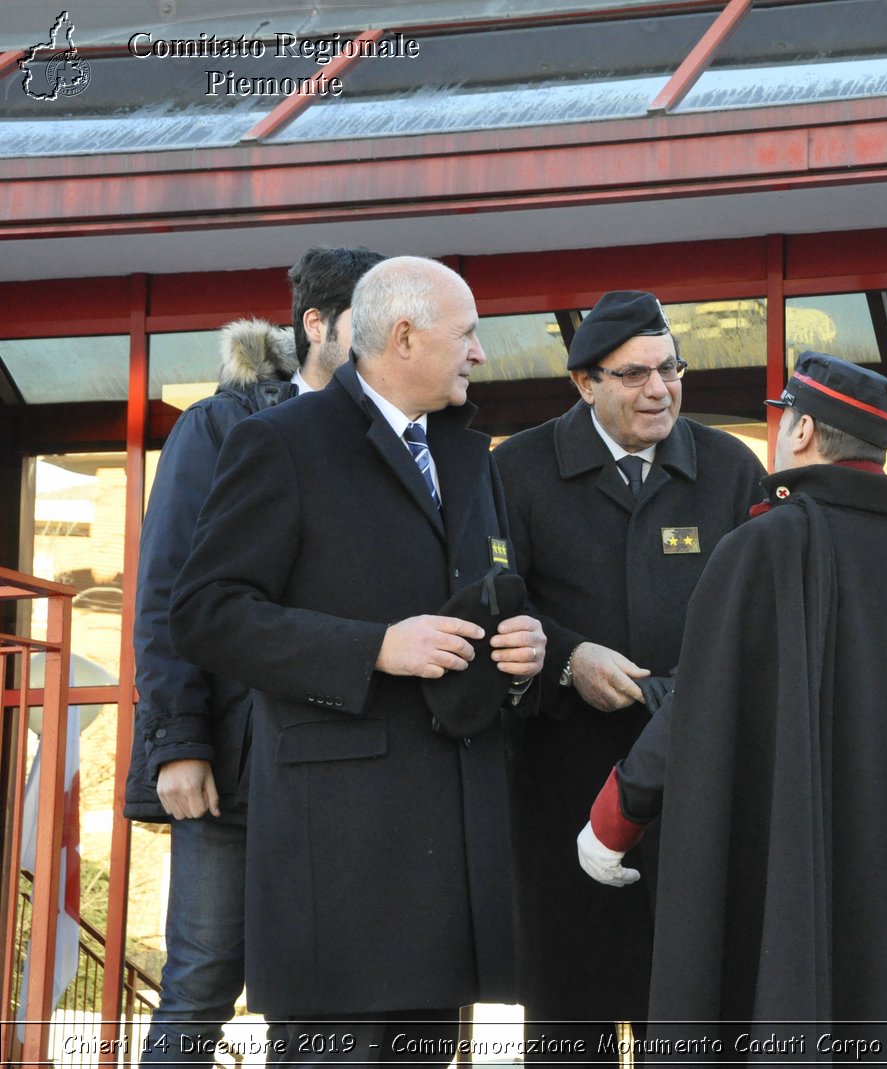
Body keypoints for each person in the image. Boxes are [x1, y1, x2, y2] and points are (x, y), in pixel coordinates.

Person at [170, 256, 543, 1064]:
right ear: (403, 337)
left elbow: (483, 593)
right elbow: (206, 612)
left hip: (450, 859)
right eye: (468, 334)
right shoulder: (280, 442)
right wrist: (373, 647)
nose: (480, 353)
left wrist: (522, 644)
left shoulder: (473, 457)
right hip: (339, 863)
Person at [578, 352, 887, 1061]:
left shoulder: (765, 545)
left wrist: (616, 814)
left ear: (801, 433)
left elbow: (699, 705)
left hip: (786, 862)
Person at [125, 244, 383, 1064]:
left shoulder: (393, 438)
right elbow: (169, 592)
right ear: (318, 325)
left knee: (320, 992)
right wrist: (181, 743)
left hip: (345, 765)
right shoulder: (224, 425)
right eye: (371, 322)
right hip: (231, 770)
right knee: (201, 981)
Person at [493, 290, 764, 1060]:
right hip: (562, 782)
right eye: (634, 374)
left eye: (671, 369)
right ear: (584, 383)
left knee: (693, 1014)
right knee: (567, 1019)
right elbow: (494, 604)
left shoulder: (729, 465)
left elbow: (759, 611)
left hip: (694, 782)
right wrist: (571, 657)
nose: (659, 389)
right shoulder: (516, 469)